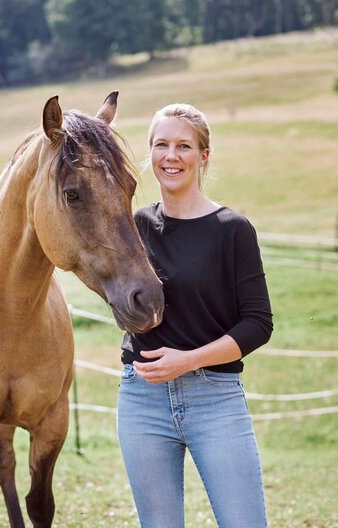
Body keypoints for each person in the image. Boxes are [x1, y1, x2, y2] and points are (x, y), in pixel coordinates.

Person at [117, 103, 273, 528]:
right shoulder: (134, 227)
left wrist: (189, 360)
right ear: (149, 154)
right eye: (161, 144)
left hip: (215, 398)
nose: (171, 156)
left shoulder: (232, 229)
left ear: (204, 156)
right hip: (142, 399)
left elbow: (258, 323)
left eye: (184, 146)